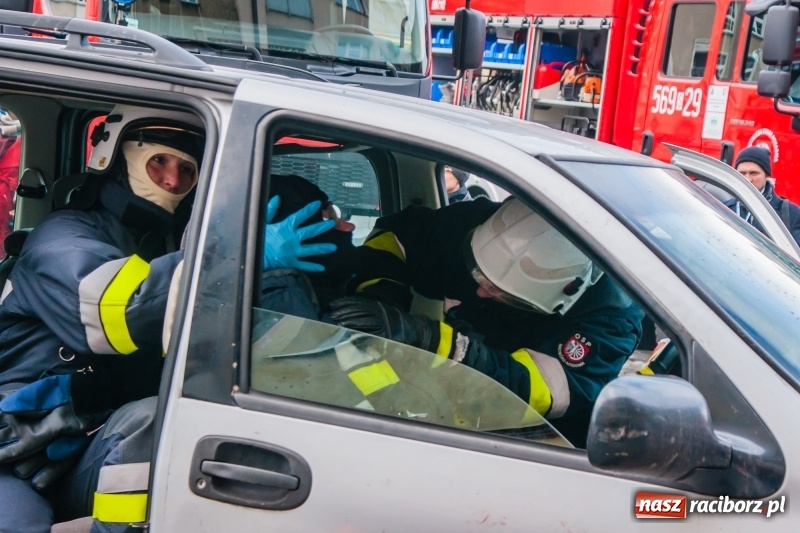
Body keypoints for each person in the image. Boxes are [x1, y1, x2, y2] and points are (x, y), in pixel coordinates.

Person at [0, 106, 335, 533]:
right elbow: (119, 313)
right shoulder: (63, 236)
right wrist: (231, 254)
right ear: (116, 157)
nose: (172, 180)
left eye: (187, 170)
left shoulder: (168, 244)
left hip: (82, 442)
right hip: (13, 441)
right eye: (158, 162)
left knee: (152, 422)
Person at [328, 197, 644, 446]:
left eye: (497, 291)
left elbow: (548, 393)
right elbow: (393, 238)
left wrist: (429, 337)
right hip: (437, 408)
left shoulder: (611, 316)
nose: (479, 291)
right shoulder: (484, 227)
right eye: (478, 274)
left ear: (563, 297)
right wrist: (382, 296)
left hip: (530, 441)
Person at [732, 146, 800, 245]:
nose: (748, 179)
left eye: (754, 173)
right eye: (742, 173)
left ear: (767, 175)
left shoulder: (790, 213)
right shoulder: (723, 207)